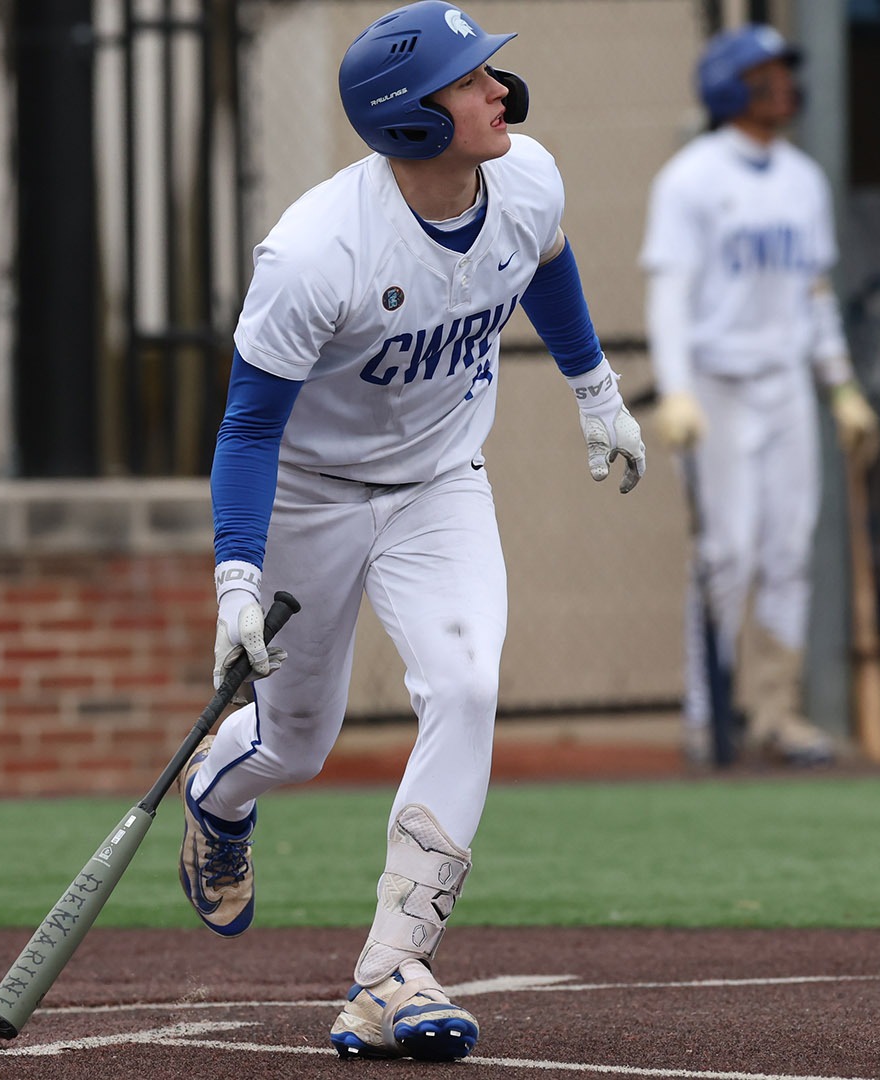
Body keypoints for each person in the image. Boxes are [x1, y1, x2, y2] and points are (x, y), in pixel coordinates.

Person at [183, 1, 646, 1062]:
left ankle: (391, 968)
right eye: (469, 77)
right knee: (298, 743)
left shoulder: (526, 175)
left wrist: (596, 391)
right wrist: (237, 580)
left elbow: (546, 260)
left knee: (467, 683)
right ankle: (218, 792)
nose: (498, 91)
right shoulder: (315, 253)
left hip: (442, 480)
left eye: (491, 71)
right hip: (312, 492)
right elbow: (250, 425)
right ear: (409, 120)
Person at [641, 24, 880, 767]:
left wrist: (840, 386)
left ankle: (778, 713)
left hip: (783, 384)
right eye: (763, 72)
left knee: (788, 548)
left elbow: (815, 295)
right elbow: (669, 294)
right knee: (727, 553)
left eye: (784, 70)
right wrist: (676, 391)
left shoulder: (803, 178)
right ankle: (706, 714)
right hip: (716, 383)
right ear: (728, 85)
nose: (781, 84)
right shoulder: (691, 176)